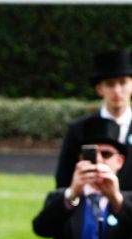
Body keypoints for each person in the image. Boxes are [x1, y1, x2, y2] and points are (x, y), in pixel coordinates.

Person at [33, 118, 132, 239]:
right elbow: (41, 228)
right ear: (80, 159)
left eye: (106, 154)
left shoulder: (126, 201)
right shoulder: (63, 198)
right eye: (91, 154)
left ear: (120, 161)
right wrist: (72, 194)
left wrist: (116, 199)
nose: (99, 160)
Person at [56, 49, 132, 191]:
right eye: (110, 84)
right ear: (99, 89)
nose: (117, 90)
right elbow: (63, 183)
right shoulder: (79, 129)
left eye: (123, 82)